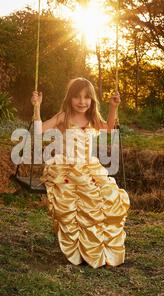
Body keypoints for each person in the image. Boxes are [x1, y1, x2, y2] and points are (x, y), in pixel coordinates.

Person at [31, 77, 130, 268]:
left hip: (87, 166)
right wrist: (36, 106)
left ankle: (95, 248)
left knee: (108, 196)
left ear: (92, 100)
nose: (82, 101)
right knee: (77, 200)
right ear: (69, 98)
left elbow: (110, 128)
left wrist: (113, 107)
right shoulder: (63, 117)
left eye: (87, 97)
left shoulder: (92, 118)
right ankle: (78, 248)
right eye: (77, 97)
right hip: (65, 166)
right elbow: (39, 131)